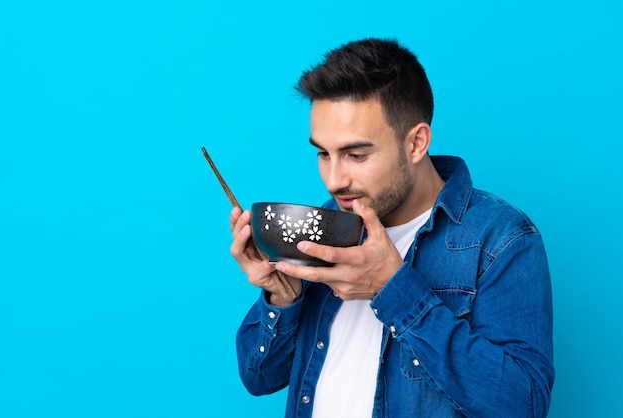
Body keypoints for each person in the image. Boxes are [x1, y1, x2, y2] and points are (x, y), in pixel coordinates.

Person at [229, 38, 554, 418]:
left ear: (416, 143)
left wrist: (394, 290)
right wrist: (283, 298)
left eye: (356, 154)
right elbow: (259, 378)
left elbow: (522, 405)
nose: (334, 180)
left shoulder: (501, 239)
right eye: (323, 153)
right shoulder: (328, 225)